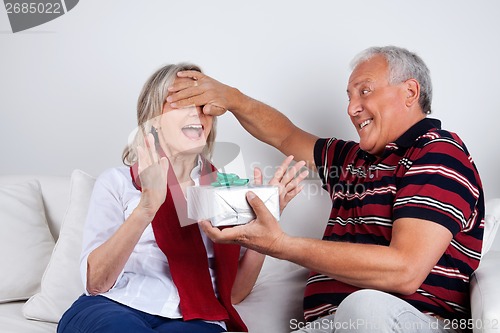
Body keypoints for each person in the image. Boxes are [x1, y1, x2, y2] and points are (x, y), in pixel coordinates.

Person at [165, 46, 484, 333]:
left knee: (364, 307)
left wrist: (279, 244)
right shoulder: (353, 159)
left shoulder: (437, 153)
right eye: (349, 96)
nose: (352, 108)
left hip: (404, 319)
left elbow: (405, 270)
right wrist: (232, 98)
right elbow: (284, 136)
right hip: (327, 325)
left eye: (365, 91)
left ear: (410, 92)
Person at [57, 63, 307, 333]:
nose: (197, 114)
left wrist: (264, 224)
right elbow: (96, 282)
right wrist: (147, 207)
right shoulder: (117, 182)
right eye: (183, 102)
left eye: (203, 105)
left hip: (196, 318)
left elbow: (233, 295)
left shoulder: (226, 191)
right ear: (153, 116)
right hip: (115, 304)